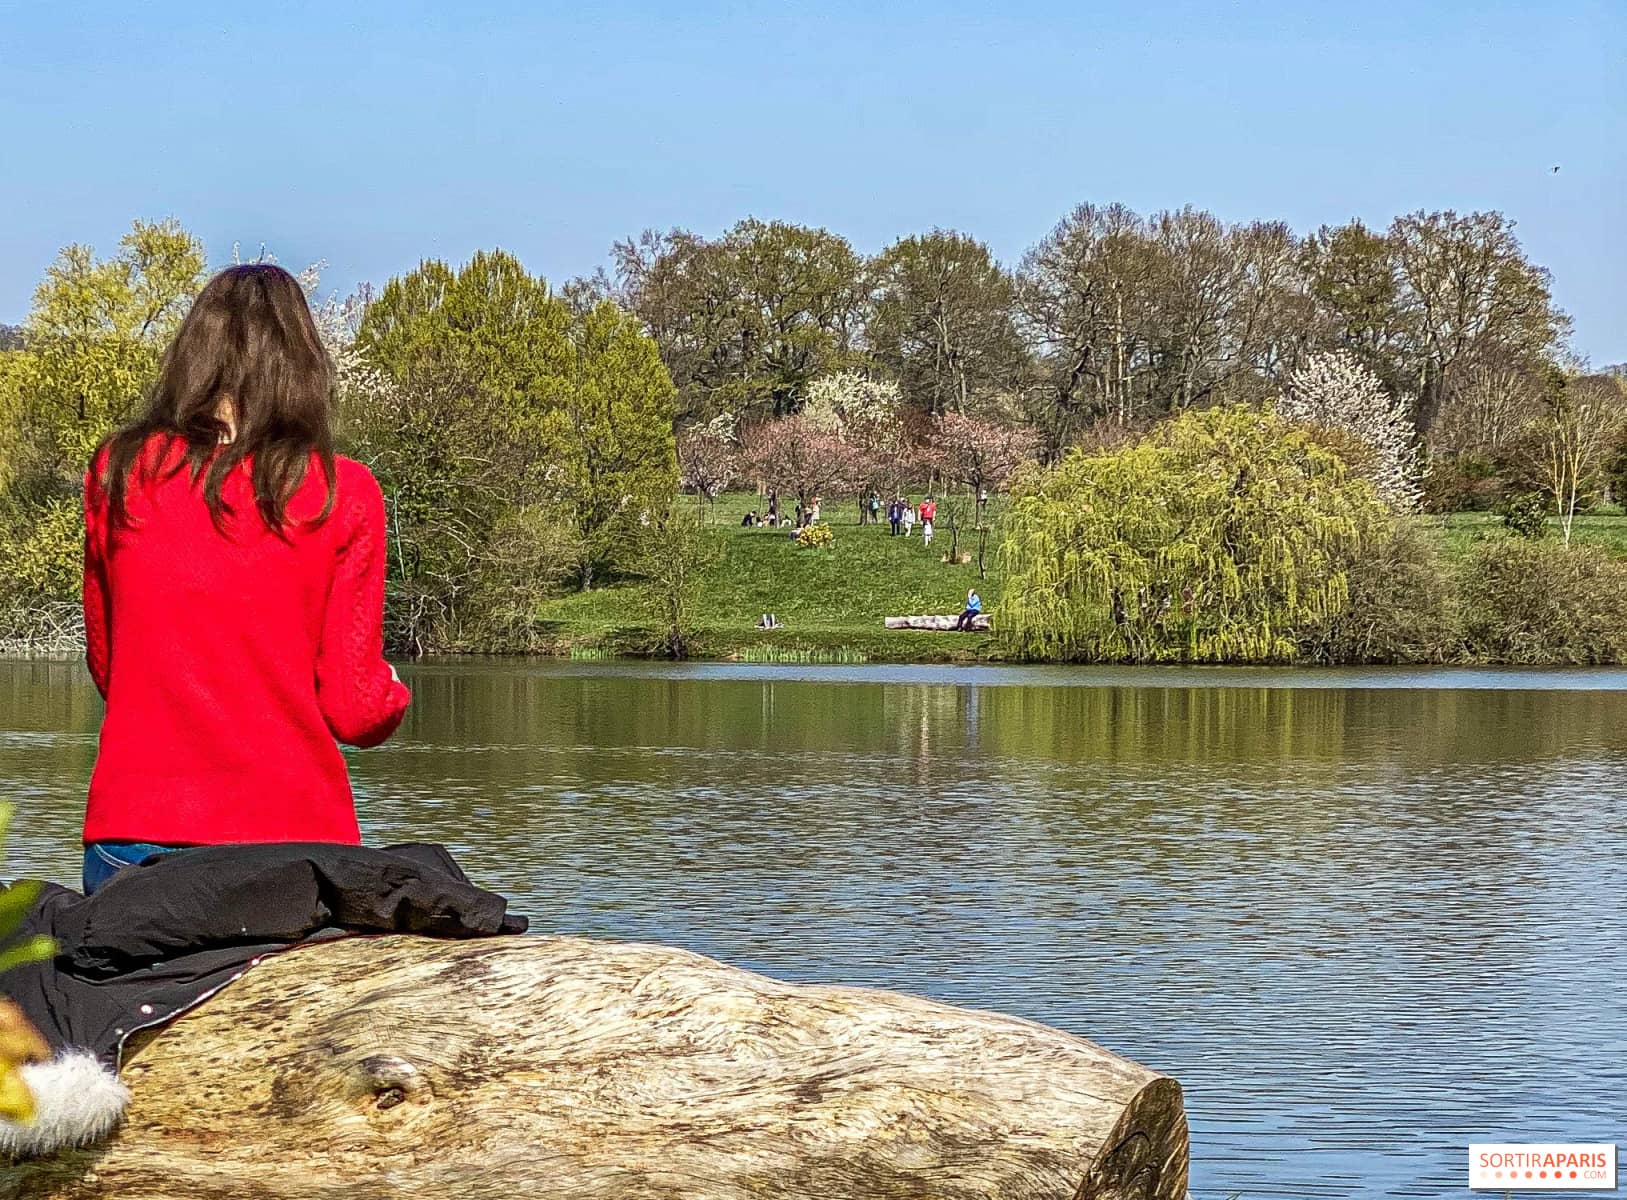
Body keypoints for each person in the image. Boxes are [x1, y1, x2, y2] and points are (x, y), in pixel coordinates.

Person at [79, 264, 412, 896]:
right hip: (291, 843)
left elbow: (109, 666)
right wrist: (394, 689)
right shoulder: (341, 492)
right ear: (303, 368)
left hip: (133, 834)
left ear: (192, 359)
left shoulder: (118, 472)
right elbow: (356, 710)